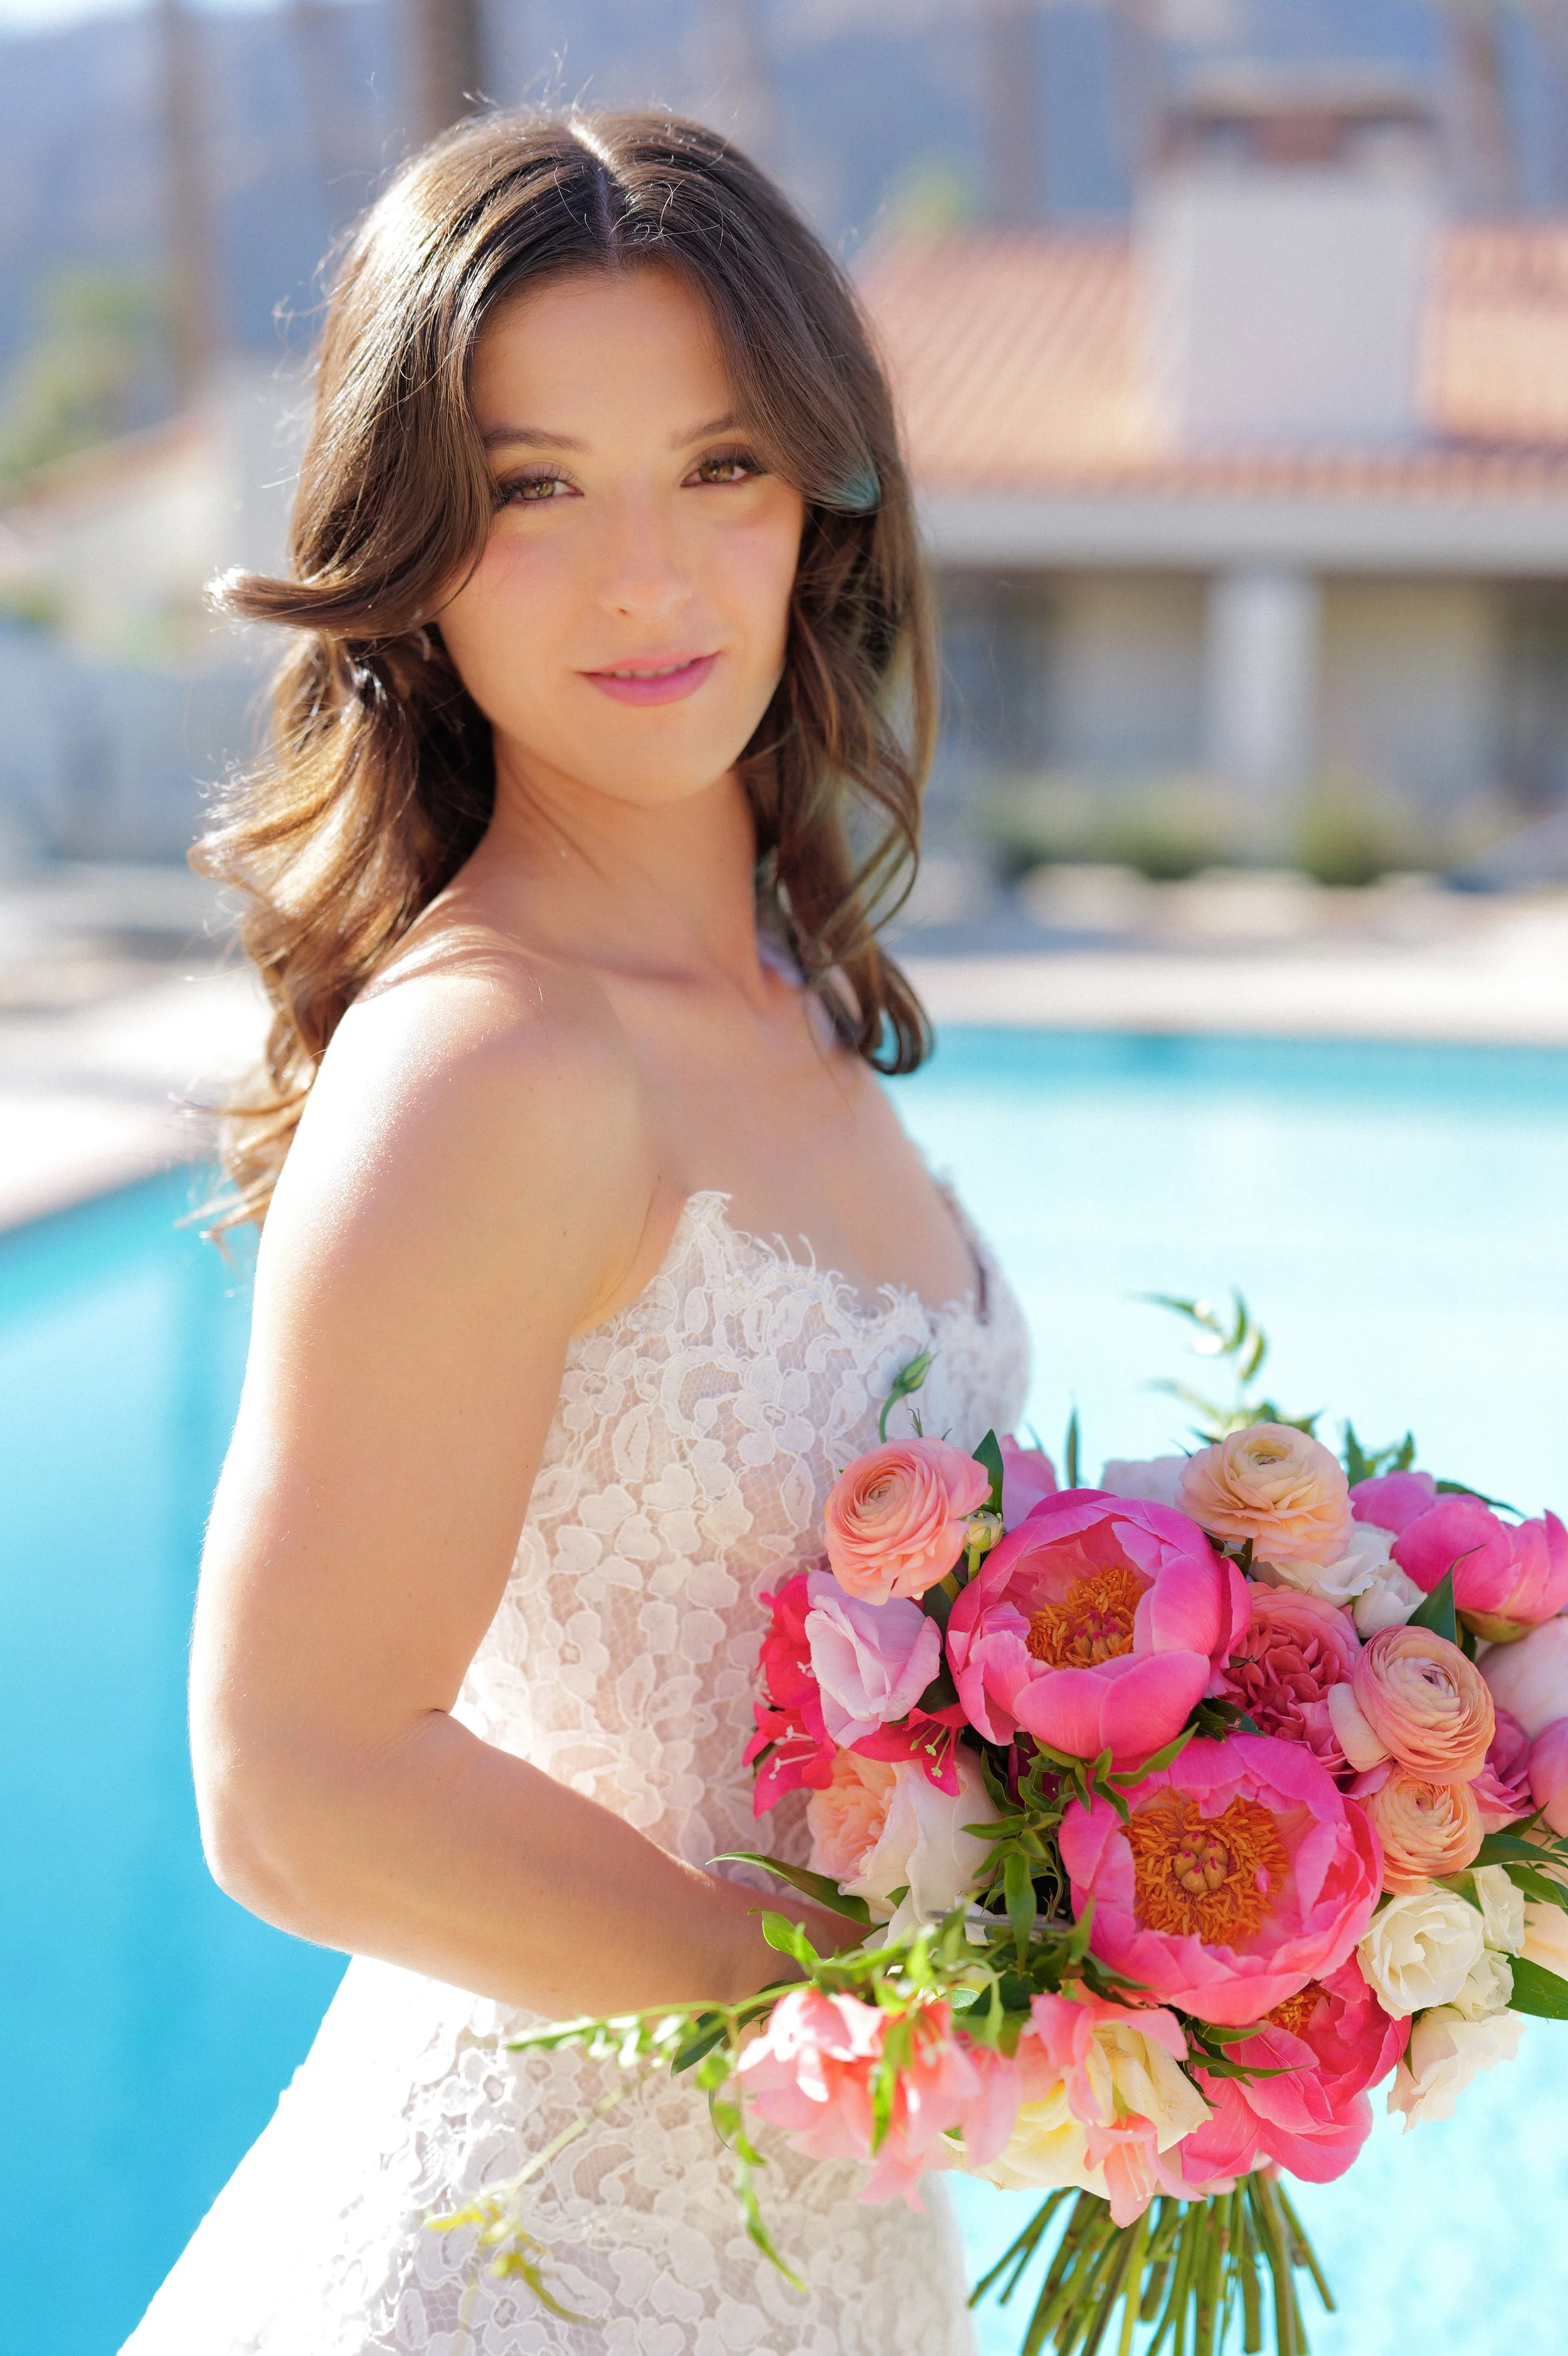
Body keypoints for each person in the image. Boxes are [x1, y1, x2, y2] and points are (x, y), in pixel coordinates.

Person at [123, 109, 1029, 2356]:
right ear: (414, 552)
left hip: (818, 2223)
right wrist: (830, 1994)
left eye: (716, 467)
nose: (647, 577)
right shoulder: (493, 1062)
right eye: (536, 488)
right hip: (526, 2269)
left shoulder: (782, 1001)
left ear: (817, 498)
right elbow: (298, 1786)